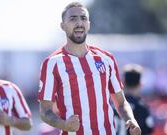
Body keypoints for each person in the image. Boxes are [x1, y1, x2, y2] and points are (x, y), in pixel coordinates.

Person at [38, 2, 141, 135]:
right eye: (73, 18)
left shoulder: (106, 59)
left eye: (83, 18)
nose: (79, 23)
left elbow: (121, 103)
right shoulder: (52, 63)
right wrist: (64, 124)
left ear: (89, 24)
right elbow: (45, 111)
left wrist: (131, 119)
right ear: (63, 26)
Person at [115, 64, 154, 135]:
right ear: (140, 84)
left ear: (123, 82)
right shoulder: (141, 107)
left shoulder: (113, 104)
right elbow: (147, 131)